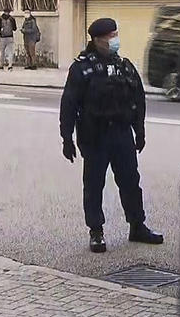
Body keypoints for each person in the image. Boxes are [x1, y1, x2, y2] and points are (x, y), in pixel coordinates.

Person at [59, 18, 163, 253]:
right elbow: (69, 104)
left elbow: (138, 99)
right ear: (97, 40)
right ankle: (96, 231)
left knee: (130, 182)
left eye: (116, 34)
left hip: (121, 133)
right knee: (94, 185)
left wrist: (140, 130)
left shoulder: (124, 65)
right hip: (95, 136)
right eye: (111, 36)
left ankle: (137, 225)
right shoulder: (83, 68)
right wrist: (66, 137)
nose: (115, 40)